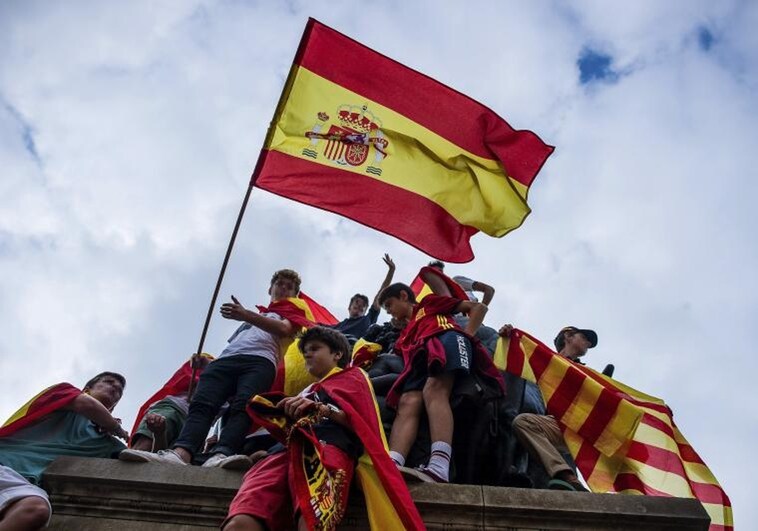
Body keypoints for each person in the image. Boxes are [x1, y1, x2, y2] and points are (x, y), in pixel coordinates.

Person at [222, 326, 424, 531]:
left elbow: (364, 427)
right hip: (280, 454)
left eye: (315, 348)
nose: (307, 354)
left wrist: (324, 409)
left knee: (311, 522)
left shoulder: (354, 377)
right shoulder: (304, 391)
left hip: (325, 450)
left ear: (337, 354)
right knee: (240, 522)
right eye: (305, 350)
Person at [120, 269, 306, 469]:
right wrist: (206, 363)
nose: (284, 288)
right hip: (225, 360)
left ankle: (221, 453)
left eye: (290, 287)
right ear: (270, 288)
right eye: (280, 284)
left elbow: (285, 329)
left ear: (295, 295)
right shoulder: (255, 316)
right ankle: (181, 453)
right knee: (202, 405)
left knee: (244, 407)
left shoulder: (292, 311)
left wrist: (245, 314)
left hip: (261, 360)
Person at [379, 280, 504, 483]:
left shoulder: (428, 303)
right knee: (408, 401)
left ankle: (439, 466)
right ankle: (393, 464)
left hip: (446, 338)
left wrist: (466, 336)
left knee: (434, 389)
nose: (389, 312)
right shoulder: (404, 334)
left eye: (389, 304)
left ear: (404, 296)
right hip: (420, 356)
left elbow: (477, 307)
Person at [0, 372, 128, 530]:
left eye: (119, 391)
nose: (115, 389)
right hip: (3, 463)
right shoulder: (63, 393)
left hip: (24, 485)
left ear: (113, 408)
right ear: (86, 390)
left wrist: (158, 432)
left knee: (36, 510)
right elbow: (84, 404)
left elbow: (139, 457)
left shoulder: (105, 442)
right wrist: (116, 428)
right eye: (109, 382)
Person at [501, 325, 597, 491]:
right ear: (568, 336)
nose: (588, 343)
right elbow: (516, 361)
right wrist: (508, 338)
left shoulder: (586, 373)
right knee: (521, 422)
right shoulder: (541, 364)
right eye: (584, 337)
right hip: (548, 425)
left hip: (577, 426)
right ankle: (567, 478)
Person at [128, 354, 214, 452]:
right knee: (144, 446)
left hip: (198, 423)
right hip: (175, 407)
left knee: (175, 461)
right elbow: (187, 375)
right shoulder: (205, 366)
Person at [333, 254, 395, 341]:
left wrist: (391, 271)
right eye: (356, 303)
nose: (359, 306)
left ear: (365, 311)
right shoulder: (338, 327)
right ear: (349, 308)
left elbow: (381, 293)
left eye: (363, 306)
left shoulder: (368, 319)